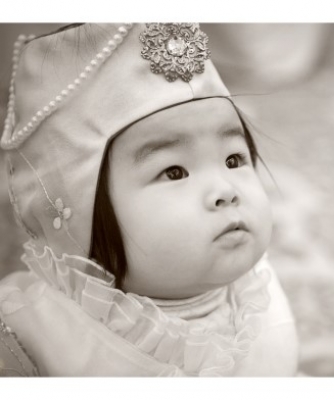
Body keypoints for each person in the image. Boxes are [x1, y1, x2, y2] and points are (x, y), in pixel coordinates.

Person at [0, 23, 298, 376]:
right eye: (174, 172)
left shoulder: (257, 292)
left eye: (233, 160)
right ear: (80, 217)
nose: (226, 190)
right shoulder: (38, 336)